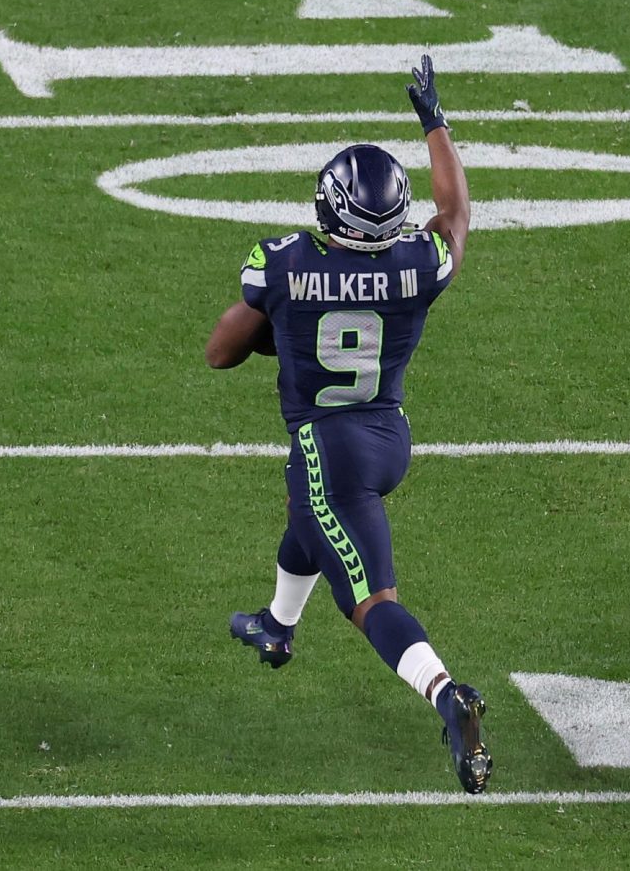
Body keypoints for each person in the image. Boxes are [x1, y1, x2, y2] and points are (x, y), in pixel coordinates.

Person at [202, 54, 488, 793]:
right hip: (388, 435)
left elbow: (219, 352)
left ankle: (445, 695)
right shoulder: (420, 263)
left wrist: (277, 327)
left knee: (367, 598)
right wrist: (435, 123)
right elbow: (454, 216)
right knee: (308, 517)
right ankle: (275, 626)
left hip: (329, 445)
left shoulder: (285, 262)